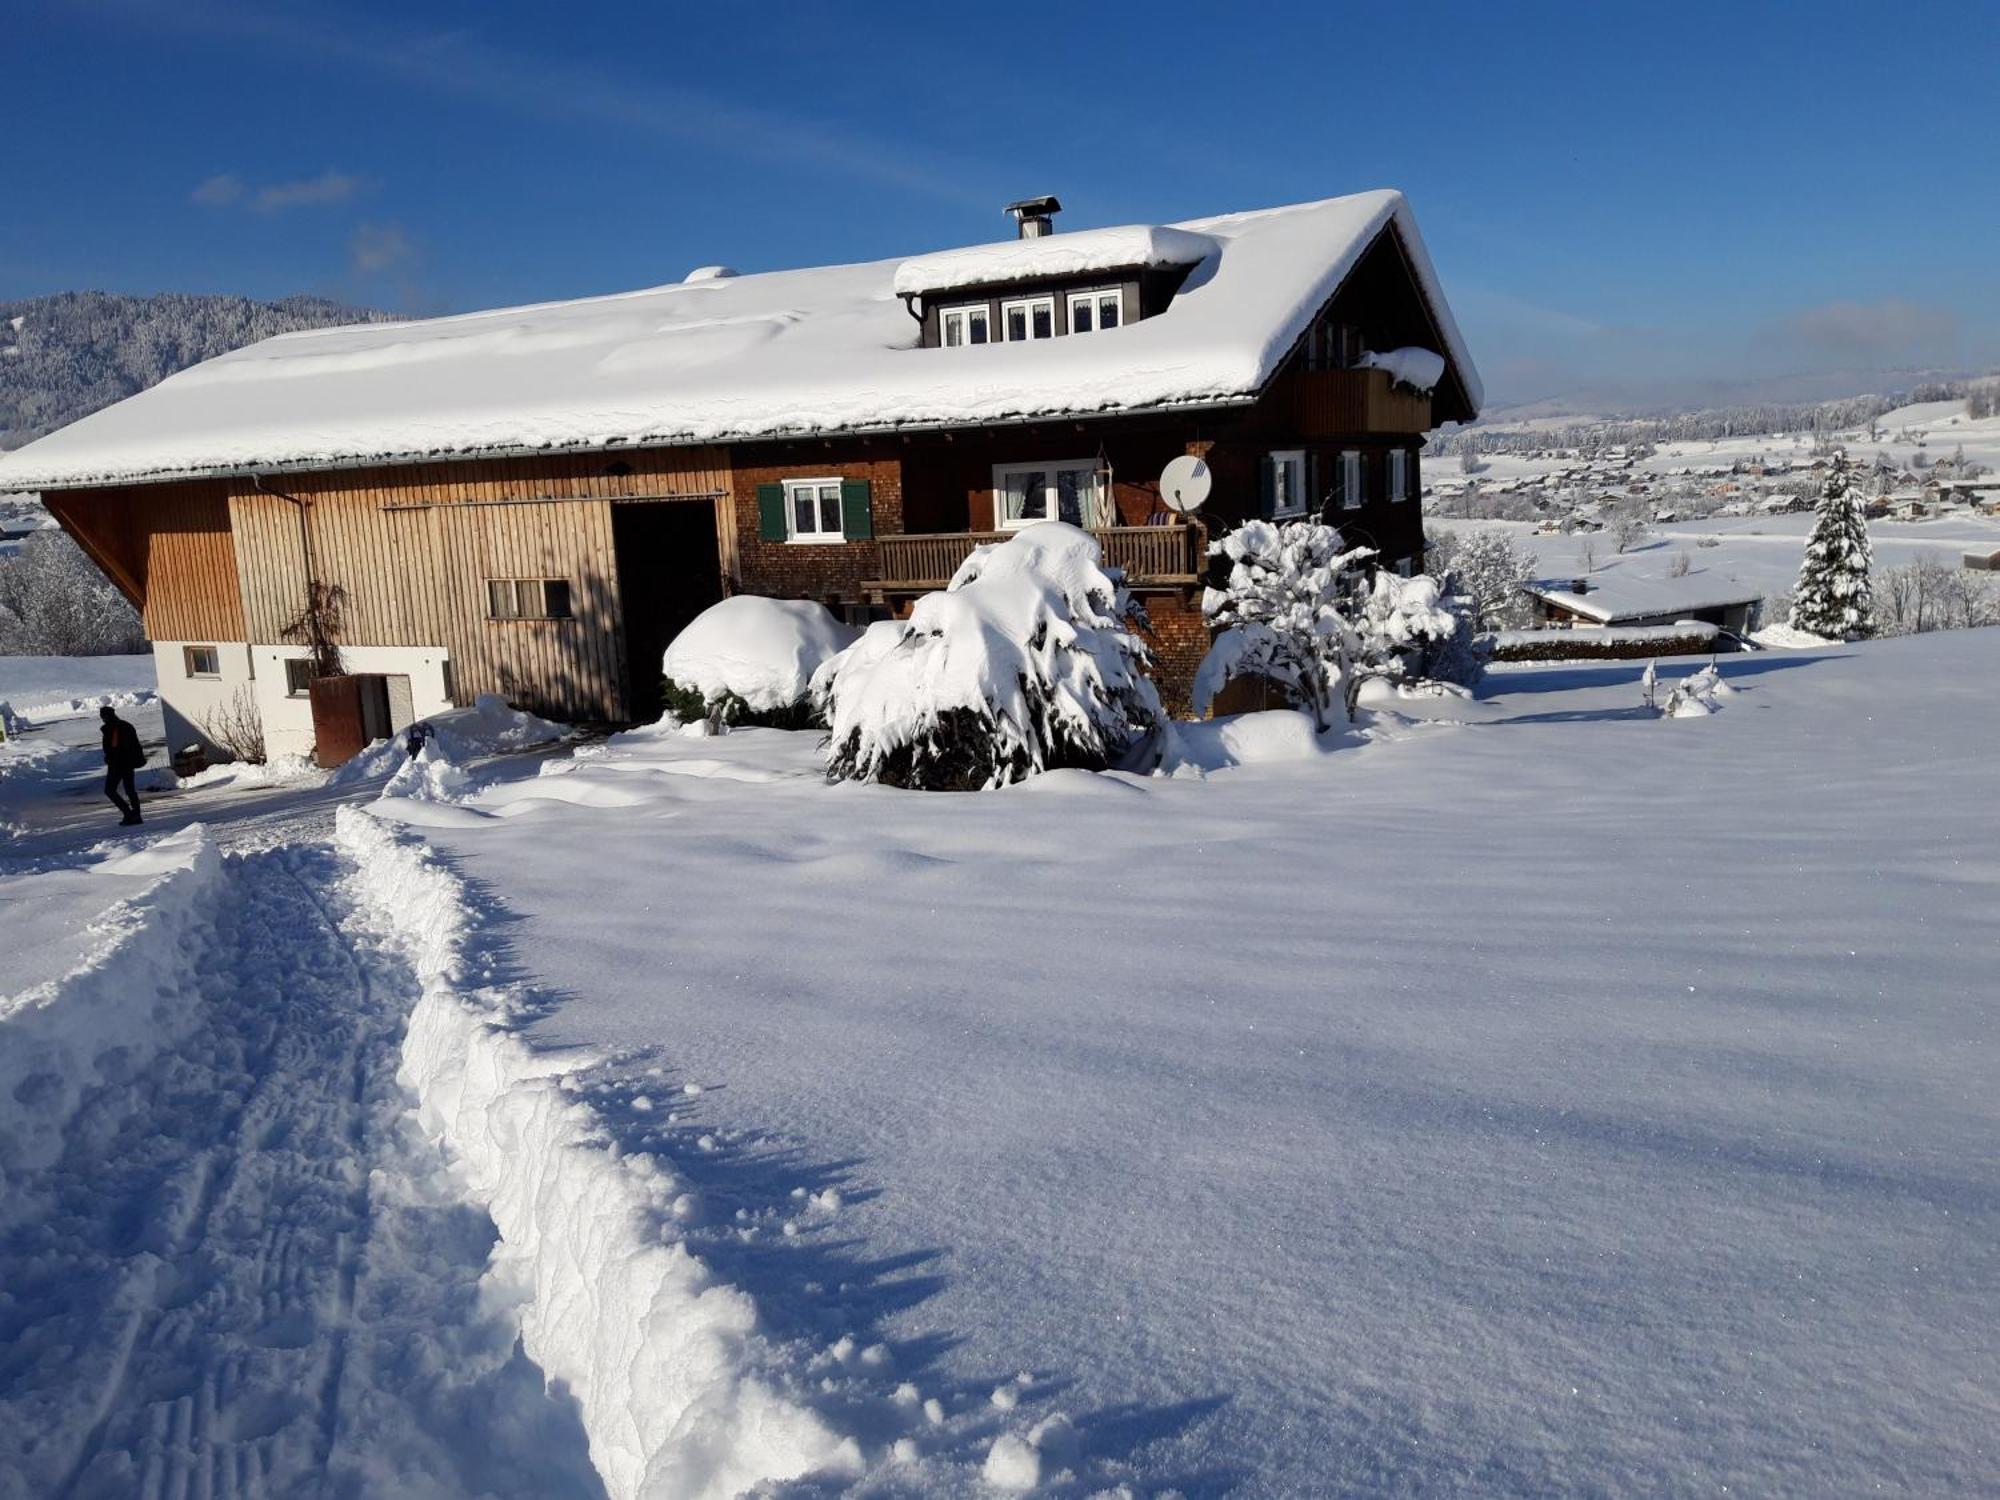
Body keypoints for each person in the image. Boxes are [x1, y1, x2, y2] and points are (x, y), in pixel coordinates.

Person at [99, 705, 147, 826]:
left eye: (102, 716)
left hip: (118, 764)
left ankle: (128, 813)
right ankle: (136, 815)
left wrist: (110, 758)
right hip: (128, 763)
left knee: (110, 790)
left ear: (105, 716)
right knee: (130, 790)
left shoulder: (113, 728)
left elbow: (114, 748)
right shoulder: (125, 725)